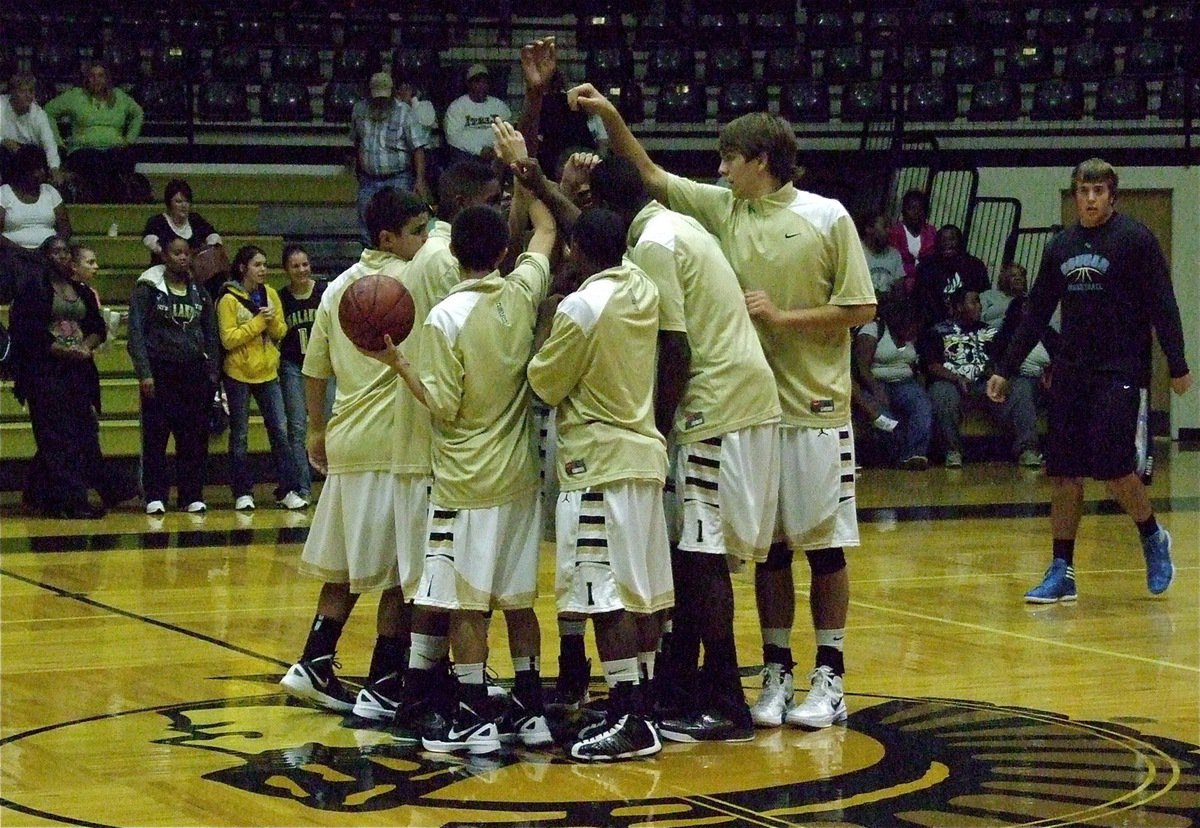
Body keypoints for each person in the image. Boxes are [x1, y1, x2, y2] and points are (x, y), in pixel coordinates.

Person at [572, 85, 877, 732]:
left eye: (728, 157)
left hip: (806, 405)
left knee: (817, 549)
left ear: (761, 158)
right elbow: (648, 173)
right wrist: (609, 115)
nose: (718, 169)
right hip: (753, 400)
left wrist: (785, 316)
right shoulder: (719, 211)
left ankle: (829, 672)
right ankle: (771, 672)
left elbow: (862, 308)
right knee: (761, 554)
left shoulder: (826, 217)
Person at [376, 156, 558, 754]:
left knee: (466, 604)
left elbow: (445, 408)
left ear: (453, 255)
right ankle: (531, 712)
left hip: (465, 482)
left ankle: (475, 714)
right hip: (520, 477)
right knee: (518, 601)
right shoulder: (525, 291)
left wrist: (401, 366)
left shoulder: (444, 316)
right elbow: (548, 230)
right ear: (503, 252)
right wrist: (525, 170)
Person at [987, 158, 1192, 603]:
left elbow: (1163, 304)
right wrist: (1005, 367)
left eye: (1099, 191)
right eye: (1084, 190)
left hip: (1119, 370)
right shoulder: (1060, 246)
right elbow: (1036, 311)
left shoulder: (1136, 240)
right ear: (1076, 193)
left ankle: (1153, 536)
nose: (1091, 198)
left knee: (1115, 466)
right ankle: (1062, 568)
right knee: (1064, 472)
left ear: (1112, 196)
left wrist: (1177, 363)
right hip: (1071, 373)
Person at [280, 188, 431, 718]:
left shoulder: (336, 287)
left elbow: (313, 369)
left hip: (347, 438)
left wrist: (314, 433)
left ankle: (315, 660)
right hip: (390, 442)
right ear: (388, 237)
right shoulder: (412, 278)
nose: (427, 238)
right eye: (418, 229)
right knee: (397, 571)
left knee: (344, 568)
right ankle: (385, 680)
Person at [528, 207, 670, 761]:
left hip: (597, 467)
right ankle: (643, 701)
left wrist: (550, 318)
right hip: (642, 457)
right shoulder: (642, 287)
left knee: (603, 597)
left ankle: (630, 717)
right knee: (644, 593)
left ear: (577, 251)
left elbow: (545, 381)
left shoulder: (583, 306)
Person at [7, 235, 126, 518]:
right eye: (56, 252)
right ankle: (72, 501)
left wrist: (87, 345)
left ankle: (41, 495)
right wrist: (57, 349)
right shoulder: (33, 289)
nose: (62, 257)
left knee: (82, 431)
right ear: (45, 256)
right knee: (57, 437)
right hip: (45, 372)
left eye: (65, 252)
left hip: (78, 371)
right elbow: (26, 331)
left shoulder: (80, 290)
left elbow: (97, 324)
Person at [127, 237, 219, 515]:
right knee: (156, 436)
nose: (182, 257)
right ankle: (155, 495)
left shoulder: (200, 292)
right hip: (160, 370)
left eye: (185, 253)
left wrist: (212, 372)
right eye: (175, 252)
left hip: (194, 371)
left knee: (193, 437)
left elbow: (212, 334)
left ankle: (191, 494)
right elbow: (135, 335)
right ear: (165, 256)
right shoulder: (149, 290)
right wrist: (145, 373)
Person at [216, 245, 307, 512]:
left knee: (279, 430)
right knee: (241, 435)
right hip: (238, 374)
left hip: (267, 372)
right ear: (243, 268)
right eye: (257, 264)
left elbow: (281, 330)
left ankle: (287, 489)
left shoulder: (270, 295)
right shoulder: (228, 299)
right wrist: (257, 323)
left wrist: (270, 322)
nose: (263, 269)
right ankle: (243, 492)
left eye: (265, 264)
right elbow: (228, 338)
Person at [920, 288, 1040, 468]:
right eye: (973, 302)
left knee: (1021, 386)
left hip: (985, 384)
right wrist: (957, 378)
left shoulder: (990, 332)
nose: (979, 306)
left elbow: (1001, 359)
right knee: (940, 392)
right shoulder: (938, 331)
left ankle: (1027, 450)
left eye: (979, 302)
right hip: (953, 385)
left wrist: (994, 373)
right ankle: (952, 451)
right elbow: (931, 366)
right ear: (959, 307)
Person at [44, 62, 143, 203]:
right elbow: (49, 111)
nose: (96, 80)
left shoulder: (119, 96)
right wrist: (58, 141)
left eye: (101, 76)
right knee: (95, 162)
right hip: (84, 150)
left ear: (107, 78)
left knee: (122, 157)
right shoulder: (75, 95)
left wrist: (130, 138)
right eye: (92, 76)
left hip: (114, 147)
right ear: (86, 79)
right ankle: (100, 205)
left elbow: (138, 113)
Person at [350, 72, 431, 245]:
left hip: (398, 177)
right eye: (376, 97)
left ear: (392, 93)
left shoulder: (405, 113)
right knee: (365, 224)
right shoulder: (359, 111)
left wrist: (419, 179)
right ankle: (371, 260)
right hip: (368, 178)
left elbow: (418, 148)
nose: (380, 101)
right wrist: (357, 167)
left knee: (400, 221)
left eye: (384, 97)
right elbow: (356, 141)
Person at [853, 297, 932, 469]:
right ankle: (898, 455)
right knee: (884, 417)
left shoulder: (912, 337)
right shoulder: (873, 330)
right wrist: (876, 389)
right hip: (875, 381)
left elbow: (913, 364)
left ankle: (915, 454)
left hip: (905, 382)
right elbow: (861, 368)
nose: (914, 328)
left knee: (922, 407)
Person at [277, 244, 324, 502]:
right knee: (296, 427)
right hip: (293, 366)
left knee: (329, 423)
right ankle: (303, 487)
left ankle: (331, 486)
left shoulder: (324, 292)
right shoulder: (281, 298)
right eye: (295, 266)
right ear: (286, 270)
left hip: (322, 366)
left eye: (304, 264)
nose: (301, 269)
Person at [913, 224, 991, 326]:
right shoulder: (926, 266)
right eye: (943, 240)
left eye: (952, 239)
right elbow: (920, 298)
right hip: (933, 322)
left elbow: (983, 296)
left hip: (968, 322)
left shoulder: (975, 265)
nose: (947, 244)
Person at [0, 145, 71, 250]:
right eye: (37, 168)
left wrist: (54, 248)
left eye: (43, 168)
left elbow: (65, 228)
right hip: (13, 255)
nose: (42, 172)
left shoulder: (50, 191)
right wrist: (23, 252)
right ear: (24, 170)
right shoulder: (4, 193)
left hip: (48, 255)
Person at [443, 64, 512, 166]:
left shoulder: (499, 106)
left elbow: (508, 131)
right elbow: (453, 137)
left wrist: (496, 150)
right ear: (469, 84)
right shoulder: (457, 107)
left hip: (495, 154)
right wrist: (479, 150)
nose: (482, 86)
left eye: (485, 82)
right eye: (477, 82)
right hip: (467, 155)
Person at [142, 179, 222, 265]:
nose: (184, 205)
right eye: (178, 202)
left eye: (187, 201)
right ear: (169, 203)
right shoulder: (157, 222)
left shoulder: (195, 219)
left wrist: (207, 251)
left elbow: (214, 236)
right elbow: (150, 242)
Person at [1, 73, 61, 184]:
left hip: (28, 154)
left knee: (33, 153)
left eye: (31, 91)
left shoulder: (39, 114)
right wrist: (3, 141)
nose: (28, 96)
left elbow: (49, 142)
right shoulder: (1, 105)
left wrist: (54, 168)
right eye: (23, 91)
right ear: (12, 93)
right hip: (5, 152)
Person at [888, 188, 937, 292]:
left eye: (920, 209)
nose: (916, 213)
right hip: (901, 281)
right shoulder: (895, 232)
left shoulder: (931, 232)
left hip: (926, 282)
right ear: (904, 210)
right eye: (911, 208)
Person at [859, 212, 905, 300]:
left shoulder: (895, 255)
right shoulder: (855, 252)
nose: (889, 231)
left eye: (889, 227)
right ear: (869, 229)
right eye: (885, 227)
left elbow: (900, 293)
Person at [980, 261, 1026, 330]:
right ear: (1004, 278)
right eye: (1013, 275)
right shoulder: (988, 295)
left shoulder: (1028, 300)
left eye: (1021, 275)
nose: (1018, 278)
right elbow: (980, 317)